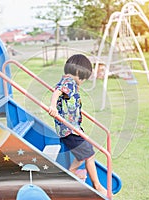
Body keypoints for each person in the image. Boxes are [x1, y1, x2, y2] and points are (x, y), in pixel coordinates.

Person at [48, 54, 107, 197]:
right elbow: (57, 91)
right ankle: (97, 185)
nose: (83, 82)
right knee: (89, 154)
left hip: (72, 128)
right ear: (79, 73)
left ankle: (71, 172)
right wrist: (52, 106)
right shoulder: (68, 81)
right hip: (69, 130)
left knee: (84, 154)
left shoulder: (69, 82)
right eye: (84, 79)